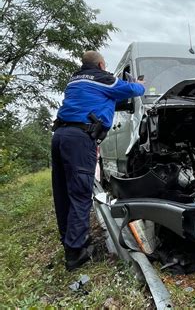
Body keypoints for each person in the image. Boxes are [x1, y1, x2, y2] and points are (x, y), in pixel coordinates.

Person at [51, 51, 145, 271]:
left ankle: (69, 242)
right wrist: (140, 83)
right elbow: (132, 90)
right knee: (81, 194)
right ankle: (77, 253)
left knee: (63, 192)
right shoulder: (103, 79)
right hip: (79, 139)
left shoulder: (74, 80)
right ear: (102, 64)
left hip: (60, 137)